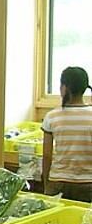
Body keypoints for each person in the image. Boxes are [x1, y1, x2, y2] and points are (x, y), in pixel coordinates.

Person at [42, 66, 92, 202]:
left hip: (58, 182)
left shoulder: (52, 116)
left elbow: (47, 156)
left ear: (64, 88)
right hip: (88, 183)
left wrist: (46, 184)